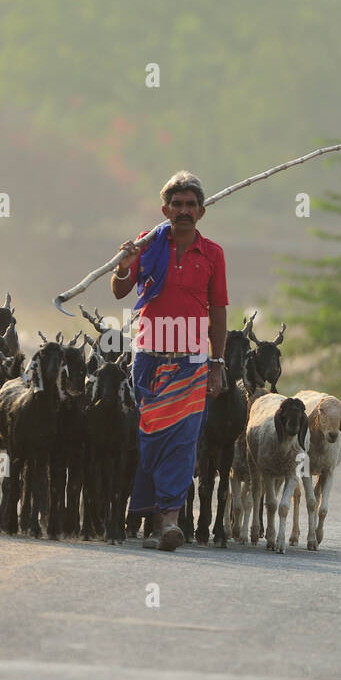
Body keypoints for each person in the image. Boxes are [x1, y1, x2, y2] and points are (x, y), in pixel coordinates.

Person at [111, 171, 227, 551]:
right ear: (165, 209)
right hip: (148, 356)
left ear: (201, 212)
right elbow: (120, 291)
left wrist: (217, 362)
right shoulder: (146, 244)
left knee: (182, 440)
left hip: (191, 361)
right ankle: (147, 515)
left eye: (190, 205)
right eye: (176, 205)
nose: (183, 211)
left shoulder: (213, 254)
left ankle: (170, 522)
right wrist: (124, 265)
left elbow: (218, 310)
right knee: (150, 438)